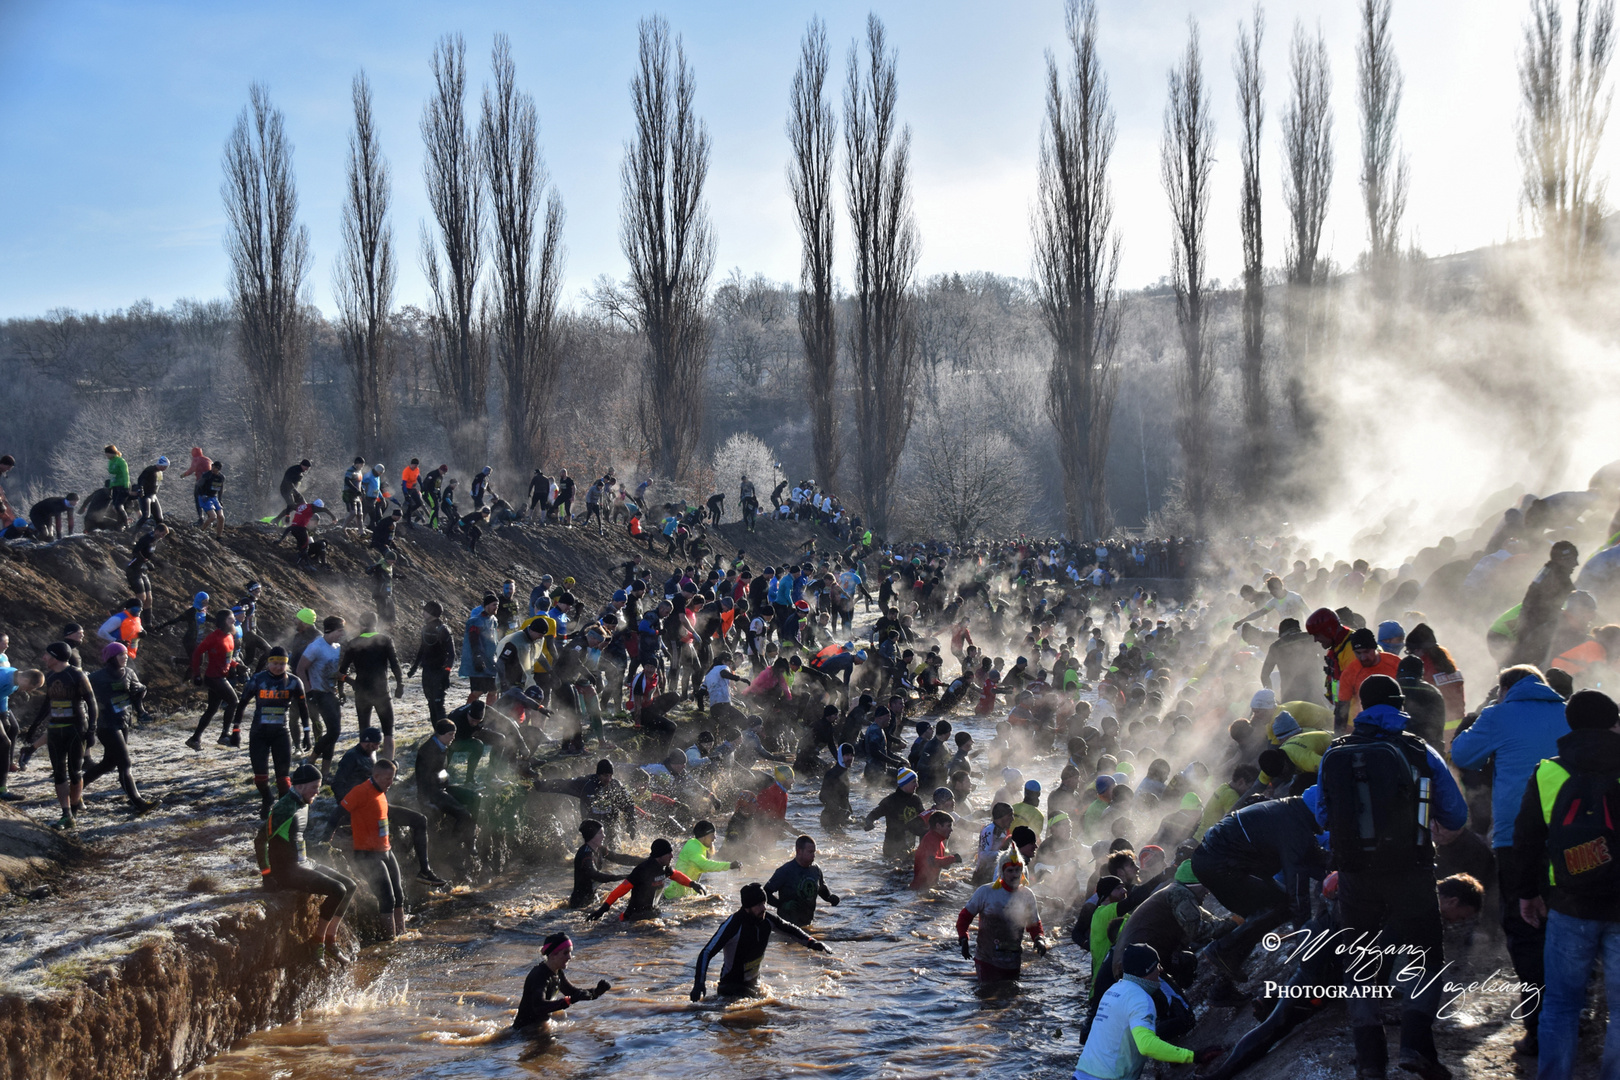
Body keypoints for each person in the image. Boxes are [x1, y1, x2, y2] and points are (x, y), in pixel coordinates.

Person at [1314, 674, 1470, 1080]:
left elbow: (1322, 816)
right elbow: (1455, 813)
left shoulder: (1337, 751)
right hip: (1410, 869)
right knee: (1425, 955)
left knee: (1361, 959)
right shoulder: (1418, 750)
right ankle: (1416, 1047)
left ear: (1362, 707)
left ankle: (1370, 1061)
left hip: (1353, 874)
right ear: (1399, 704)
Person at [1450, 663, 1569, 1053]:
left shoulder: (1499, 714)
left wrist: (1484, 716)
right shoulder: (1567, 710)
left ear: (1505, 689)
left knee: (1523, 927)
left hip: (1516, 836)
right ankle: (1572, 1017)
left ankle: (1538, 1027)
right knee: (1569, 924)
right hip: (1572, 835)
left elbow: (1462, 751)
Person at [1512, 689, 1620, 1080]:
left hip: (1570, 904)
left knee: (1560, 1003)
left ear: (1570, 724)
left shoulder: (1548, 772)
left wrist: (1528, 893)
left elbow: (1524, 840)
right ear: (1615, 723)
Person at [1190, 791, 1328, 1002]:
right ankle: (1222, 949)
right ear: (1318, 810)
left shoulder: (1291, 812)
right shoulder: (1294, 826)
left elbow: (1314, 859)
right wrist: (1306, 944)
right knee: (1280, 905)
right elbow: (1297, 890)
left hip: (1215, 859)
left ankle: (1221, 987)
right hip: (1219, 864)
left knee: (1262, 914)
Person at [1073, 943, 1220, 1079]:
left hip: (1081, 1074)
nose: (1160, 970)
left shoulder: (1114, 990)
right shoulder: (1140, 998)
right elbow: (1146, 1045)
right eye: (1157, 966)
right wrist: (1193, 1056)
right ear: (1147, 970)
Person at [263, 764, 357, 963]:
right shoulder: (284, 808)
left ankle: (331, 940)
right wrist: (267, 874)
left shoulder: (303, 803)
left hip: (304, 862)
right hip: (288, 870)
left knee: (350, 885)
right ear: (300, 786)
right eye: (314, 787)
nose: (317, 791)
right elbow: (260, 840)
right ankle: (318, 942)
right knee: (338, 890)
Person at [690, 882, 829, 1000]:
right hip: (731, 988)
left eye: (764, 903)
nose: (763, 908)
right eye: (758, 905)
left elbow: (790, 930)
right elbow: (706, 952)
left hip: (754, 985)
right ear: (746, 907)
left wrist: (813, 942)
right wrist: (699, 984)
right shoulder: (733, 925)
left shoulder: (767, 919)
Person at [229, 646, 311, 817]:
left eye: (282, 664)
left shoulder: (295, 682)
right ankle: (267, 799)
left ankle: (282, 808)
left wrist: (306, 732)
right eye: (274, 663)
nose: (278, 667)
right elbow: (242, 704)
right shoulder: (257, 679)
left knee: (283, 780)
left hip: (281, 733)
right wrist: (236, 730)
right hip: (259, 733)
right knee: (260, 777)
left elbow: (303, 708)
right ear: (268, 663)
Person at [25, 642, 96, 829]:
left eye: (47, 655)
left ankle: (74, 810)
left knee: (75, 772)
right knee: (58, 771)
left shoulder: (77, 675)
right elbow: (47, 703)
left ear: (56, 657)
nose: (44, 658)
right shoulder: (50, 676)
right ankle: (66, 814)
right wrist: (34, 726)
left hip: (75, 728)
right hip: (55, 729)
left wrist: (91, 731)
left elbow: (91, 702)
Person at [81, 643, 156, 812]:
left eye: (125, 654)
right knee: (125, 763)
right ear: (111, 658)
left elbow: (136, 695)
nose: (125, 657)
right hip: (106, 725)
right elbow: (82, 692)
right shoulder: (97, 677)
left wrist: (141, 692)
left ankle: (76, 788)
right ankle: (139, 802)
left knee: (108, 764)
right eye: (121, 654)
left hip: (123, 721)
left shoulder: (129, 673)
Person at [342, 758, 410, 938]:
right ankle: (390, 941)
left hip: (386, 850)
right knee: (387, 899)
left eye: (393, 778)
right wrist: (328, 836)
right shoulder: (361, 791)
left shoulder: (382, 791)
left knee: (399, 896)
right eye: (388, 778)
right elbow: (339, 813)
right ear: (376, 775)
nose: (391, 782)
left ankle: (401, 935)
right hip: (367, 854)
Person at [956, 859, 1049, 982]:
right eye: (1010, 870)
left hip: (1013, 961)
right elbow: (964, 918)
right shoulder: (986, 892)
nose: (1015, 874)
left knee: (1010, 996)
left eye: (1018, 870)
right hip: (986, 960)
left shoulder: (1027, 895)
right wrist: (963, 938)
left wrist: (1039, 939)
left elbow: (1034, 924)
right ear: (1001, 872)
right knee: (987, 996)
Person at [512, 932, 613, 1031]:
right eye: (565, 953)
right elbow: (539, 1006)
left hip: (538, 1028)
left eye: (570, 952)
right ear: (552, 955)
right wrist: (569, 1000)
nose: (570, 957)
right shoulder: (539, 975)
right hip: (523, 1032)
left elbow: (573, 993)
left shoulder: (557, 972)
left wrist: (596, 992)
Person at [337, 613, 404, 760]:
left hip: (362, 691)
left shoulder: (354, 643)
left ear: (361, 625)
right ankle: (389, 765)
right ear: (376, 624)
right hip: (381, 691)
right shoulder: (385, 640)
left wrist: (344, 688)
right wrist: (400, 684)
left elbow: (342, 672)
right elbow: (395, 664)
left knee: (364, 731)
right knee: (388, 731)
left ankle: (368, 765)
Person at [587, 837, 704, 921]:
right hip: (634, 918)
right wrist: (602, 909)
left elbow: (676, 875)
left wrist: (693, 884)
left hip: (652, 913)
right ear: (660, 855)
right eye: (669, 853)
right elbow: (621, 890)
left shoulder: (665, 868)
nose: (672, 856)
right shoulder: (643, 870)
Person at [1510, 540, 1580, 669]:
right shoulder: (1558, 577)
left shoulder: (1548, 571)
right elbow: (1576, 602)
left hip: (1528, 631)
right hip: (1536, 633)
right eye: (1573, 559)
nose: (1576, 564)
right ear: (1561, 560)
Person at [298, 616, 347, 775]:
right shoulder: (316, 647)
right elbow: (300, 669)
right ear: (330, 630)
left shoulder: (336, 647)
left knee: (333, 733)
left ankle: (325, 772)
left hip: (331, 693)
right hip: (318, 693)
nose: (342, 634)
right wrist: (308, 691)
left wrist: (343, 686)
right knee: (334, 731)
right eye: (340, 631)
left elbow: (333, 672)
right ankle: (310, 760)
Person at [764, 834, 840, 926]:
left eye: (814, 852)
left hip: (807, 922)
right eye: (810, 852)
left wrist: (829, 897)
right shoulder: (785, 871)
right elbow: (765, 893)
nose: (813, 856)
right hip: (786, 926)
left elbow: (822, 888)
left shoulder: (815, 869)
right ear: (799, 851)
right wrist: (782, 905)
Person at [570, 819, 641, 909]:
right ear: (591, 835)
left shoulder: (600, 849)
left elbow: (619, 858)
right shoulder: (585, 855)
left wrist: (645, 860)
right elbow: (595, 875)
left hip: (590, 899)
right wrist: (623, 877)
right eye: (600, 833)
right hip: (579, 903)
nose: (604, 836)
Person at [667, 820, 742, 900]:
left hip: (685, 896)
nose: (715, 838)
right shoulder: (693, 846)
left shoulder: (701, 847)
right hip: (674, 897)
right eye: (712, 835)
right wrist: (729, 865)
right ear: (704, 836)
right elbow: (704, 865)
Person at [863, 768, 926, 859]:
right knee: (894, 870)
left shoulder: (916, 799)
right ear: (905, 783)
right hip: (892, 847)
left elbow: (923, 817)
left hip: (909, 844)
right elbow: (873, 814)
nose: (917, 785)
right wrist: (869, 822)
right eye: (914, 782)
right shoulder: (891, 800)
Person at [911, 810, 963, 890]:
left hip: (928, 887)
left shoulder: (938, 840)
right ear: (938, 826)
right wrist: (953, 858)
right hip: (921, 890)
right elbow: (932, 862)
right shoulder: (931, 840)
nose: (951, 830)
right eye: (948, 826)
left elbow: (939, 864)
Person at [133, 455, 167, 528]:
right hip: (145, 495)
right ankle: (133, 533)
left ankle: (157, 534)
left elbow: (158, 484)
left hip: (153, 496)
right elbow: (140, 479)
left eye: (166, 467)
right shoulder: (150, 469)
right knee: (145, 516)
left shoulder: (160, 473)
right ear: (159, 464)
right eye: (164, 466)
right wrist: (140, 489)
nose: (165, 468)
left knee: (159, 518)